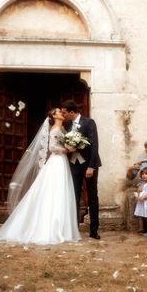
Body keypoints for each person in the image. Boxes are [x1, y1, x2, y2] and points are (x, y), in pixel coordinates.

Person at [0, 108, 80, 245]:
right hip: (57, 161)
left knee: (61, 192)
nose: (62, 113)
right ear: (53, 116)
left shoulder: (62, 128)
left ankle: (62, 228)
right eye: (58, 112)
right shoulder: (55, 129)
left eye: (61, 112)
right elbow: (52, 148)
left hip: (62, 162)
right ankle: (49, 228)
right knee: (54, 192)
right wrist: (67, 149)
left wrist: (71, 145)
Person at [61, 100, 102, 239]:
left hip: (88, 165)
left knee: (92, 197)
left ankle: (94, 230)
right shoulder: (66, 125)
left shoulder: (89, 122)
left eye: (65, 112)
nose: (63, 114)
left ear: (72, 112)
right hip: (74, 164)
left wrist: (91, 166)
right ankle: (74, 230)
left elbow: (94, 145)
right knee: (74, 196)